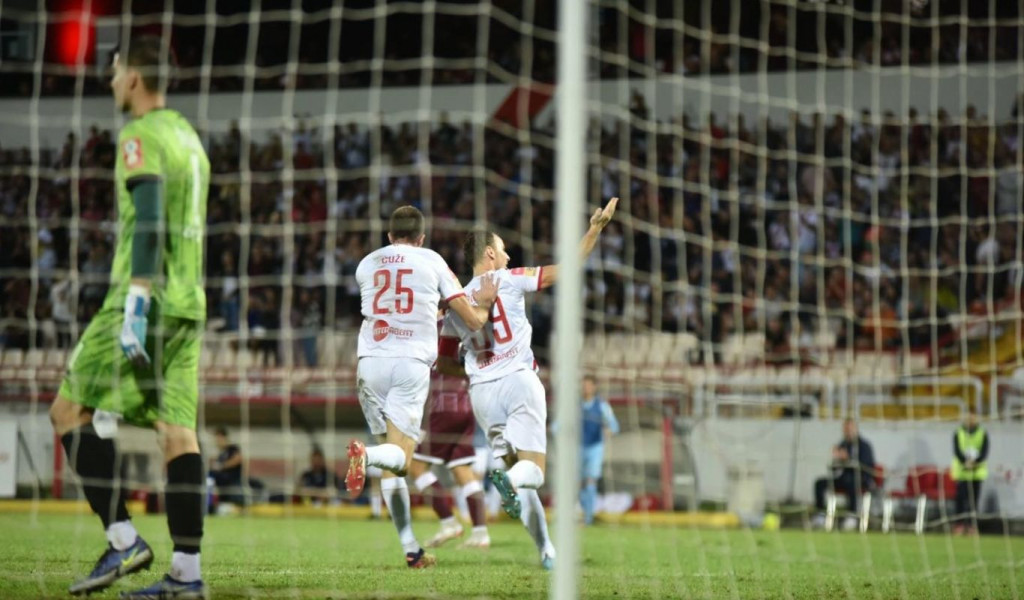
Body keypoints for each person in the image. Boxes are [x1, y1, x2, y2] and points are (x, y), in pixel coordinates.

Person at [48, 36, 210, 598]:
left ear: (135, 78)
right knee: (177, 433)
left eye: (116, 72)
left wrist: (137, 300)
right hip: (190, 302)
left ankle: (123, 540)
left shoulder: (139, 135)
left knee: (68, 411)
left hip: (143, 296)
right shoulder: (190, 139)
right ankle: (186, 575)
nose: (112, 81)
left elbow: (147, 220)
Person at [448, 197, 618, 570]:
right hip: (518, 382)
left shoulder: (457, 300)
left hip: (482, 394)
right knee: (533, 472)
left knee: (522, 485)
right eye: (504, 250)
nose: (508, 256)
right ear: (490, 253)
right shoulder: (508, 278)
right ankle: (509, 482)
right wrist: (595, 228)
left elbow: (448, 353)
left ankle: (546, 550)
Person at [344, 205, 498, 569]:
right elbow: (473, 320)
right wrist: (486, 304)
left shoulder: (366, 264)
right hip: (409, 365)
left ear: (389, 236)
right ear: (422, 238)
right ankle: (362, 455)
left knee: (393, 464)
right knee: (401, 459)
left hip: (369, 363)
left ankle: (411, 549)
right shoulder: (432, 260)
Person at [408, 316, 490, 549]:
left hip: (443, 407)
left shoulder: (431, 328)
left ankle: (448, 522)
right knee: (462, 469)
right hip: (466, 406)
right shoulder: (468, 326)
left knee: (416, 466)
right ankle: (480, 532)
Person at [813, 419, 876, 531]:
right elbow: (834, 469)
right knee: (819, 483)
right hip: (843, 478)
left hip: (861, 480)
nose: (847, 432)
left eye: (850, 429)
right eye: (845, 429)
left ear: (856, 429)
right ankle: (820, 515)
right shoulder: (843, 444)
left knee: (851, 481)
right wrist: (836, 459)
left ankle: (852, 515)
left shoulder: (864, 446)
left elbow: (867, 466)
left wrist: (848, 459)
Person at [577, 375, 619, 525]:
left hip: (595, 447)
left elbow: (614, 425)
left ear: (594, 387)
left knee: (590, 481)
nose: (586, 388)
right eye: (584, 385)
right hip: (578, 447)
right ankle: (585, 512)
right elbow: (560, 424)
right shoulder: (575, 405)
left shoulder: (602, 405)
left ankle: (588, 518)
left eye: (588, 385)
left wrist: (609, 430)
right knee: (579, 483)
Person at [951, 408, 989, 535]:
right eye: (968, 416)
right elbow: (956, 451)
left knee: (974, 501)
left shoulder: (983, 433)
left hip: (977, 472)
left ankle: (972, 526)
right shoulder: (958, 432)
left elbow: (984, 452)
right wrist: (965, 462)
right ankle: (959, 525)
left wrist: (975, 462)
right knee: (960, 500)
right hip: (962, 472)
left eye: (972, 416)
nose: (970, 419)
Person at [208, 426, 244, 508]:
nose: (216, 441)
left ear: (223, 437)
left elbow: (238, 459)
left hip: (232, 479)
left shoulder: (232, 448)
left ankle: (210, 502)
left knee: (210, 475)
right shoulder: (221, 454)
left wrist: (221, 466)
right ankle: (210, 502)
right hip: (222, 482)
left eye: (218, 438)